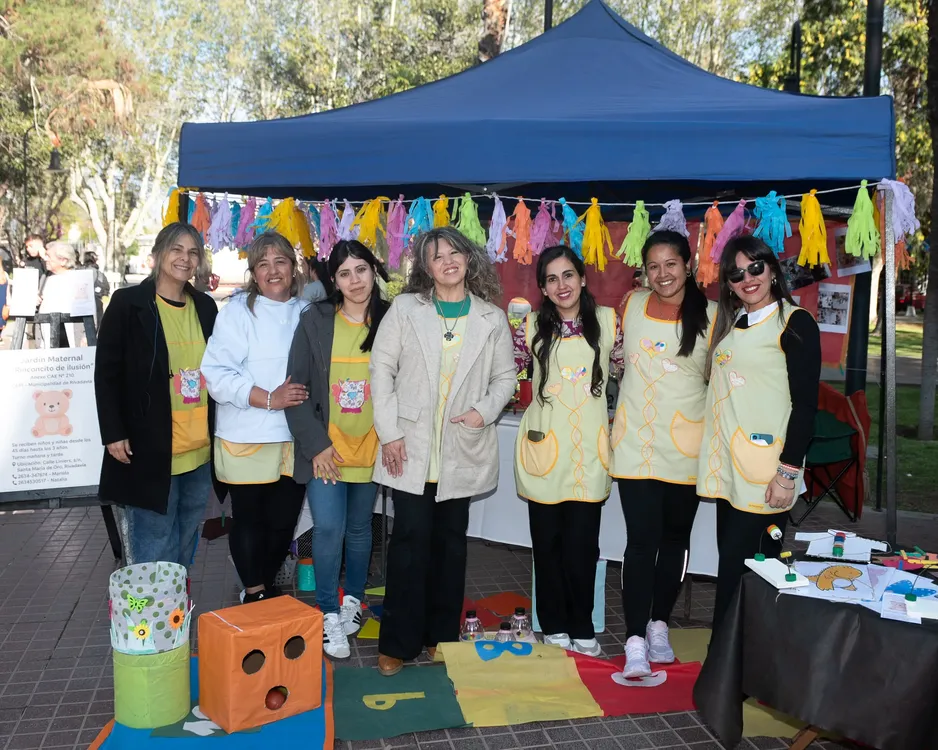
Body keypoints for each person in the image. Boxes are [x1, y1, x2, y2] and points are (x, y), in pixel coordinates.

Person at [370, 226, 516, 676]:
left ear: (469, 259)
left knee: (451, 549)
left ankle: (439, 638)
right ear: (425, 267)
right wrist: (390, 433)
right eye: (437, 256)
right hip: (410, 448)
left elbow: (505, 378)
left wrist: (483, 412)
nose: (448, 261)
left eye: (455, 252)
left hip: (460, 448)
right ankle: (397, 643)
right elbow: (381, 369)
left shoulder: (491, 318)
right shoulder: (405, 308)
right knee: (409, 546)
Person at [699, 235, 820, 633]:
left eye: (755, 267)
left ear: (771, 269)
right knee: (731, 570)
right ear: (728, 282)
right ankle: (727, 665)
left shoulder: (794, 321)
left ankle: (743, 667)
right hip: (730, 474)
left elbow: (805, 407)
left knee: (754, 575)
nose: (747, 278)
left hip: (768, 477)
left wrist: (788, 473)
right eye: (736, 272)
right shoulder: (734, 324)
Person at [610, 231, 715, 678]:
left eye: (670, 264)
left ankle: (659, 625)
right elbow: (618, 359)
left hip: (683, 449)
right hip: (635, 445)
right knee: (640, 542)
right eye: (653, 266)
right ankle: (635, 638)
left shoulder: (712, 316)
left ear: (687, 265)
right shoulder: (630, 306)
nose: (662, 274)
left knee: (675, 542)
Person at [512, 245, 621, 657]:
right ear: (542, 286)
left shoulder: (610, 323)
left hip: (589, 455)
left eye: (569, 275)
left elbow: (634, 374)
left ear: (583, 278)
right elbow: (505, 373)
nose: (562, 285)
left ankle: (582, 625)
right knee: (548, 544)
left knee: (583, 546)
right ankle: (553, 623)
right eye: (552, 279)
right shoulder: (529, 328)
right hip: (544, 449)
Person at [95, 222, 224, 566]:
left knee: (184, 543)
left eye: (193, 252)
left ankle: (175, 615)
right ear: (158, 255)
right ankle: (152, 620)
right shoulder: (128, 304)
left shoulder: (206, 307)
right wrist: (113, 432)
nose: (185, 258)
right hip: (150, 450)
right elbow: (106, 374)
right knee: (153, 545)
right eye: (176, 249)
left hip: (198, 451)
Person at [286, 240, 390, 658]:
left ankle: (353, 602)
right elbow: (295, 390)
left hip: (373, 445)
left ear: (373, 271)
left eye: (361, 270)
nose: (355, 281)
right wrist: (317, 446)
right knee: (329, 528)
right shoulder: (315, 320)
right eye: (344, 273)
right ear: (334, 280)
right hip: (327, 450)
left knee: (363, 528)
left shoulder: (390, 317)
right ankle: (328, 613)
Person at [202, 231, 309, 604]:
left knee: (283, 521)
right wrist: (268, 398)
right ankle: (255, 591)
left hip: (294, 437)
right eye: (262, 264)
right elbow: (216, 374)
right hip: (245, 434)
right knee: (250, 519)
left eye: (280, 261)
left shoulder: (306, 313)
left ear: (293, 270)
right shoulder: (236, 313)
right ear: (253, 274)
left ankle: (265, 582)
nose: (272, 270)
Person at [82, 251, 110, 327]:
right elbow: (105, 291)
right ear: (94, 260)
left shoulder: (78, 271)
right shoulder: (99, 274)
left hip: (79, 305)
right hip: (96, 303)